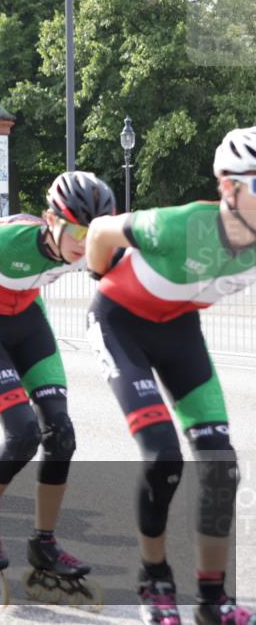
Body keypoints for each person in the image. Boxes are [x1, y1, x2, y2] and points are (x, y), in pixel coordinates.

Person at [84, 127, 256, 625]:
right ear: (228, 187)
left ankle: (210, 599)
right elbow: (99, 232)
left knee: (221, 466)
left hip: (178, 327)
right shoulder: (182, 226)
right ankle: (154, 579)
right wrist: (100, 277)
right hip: (121, 322)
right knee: (163, 456)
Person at [0, 171, 115, 605]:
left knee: (60, 435)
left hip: (27, 321)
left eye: (92, 231)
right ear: (49, 219)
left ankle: (44, 543)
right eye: (75, 229)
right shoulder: (8, 241)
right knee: (21, 434)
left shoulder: (93, 245)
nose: (83, 241)